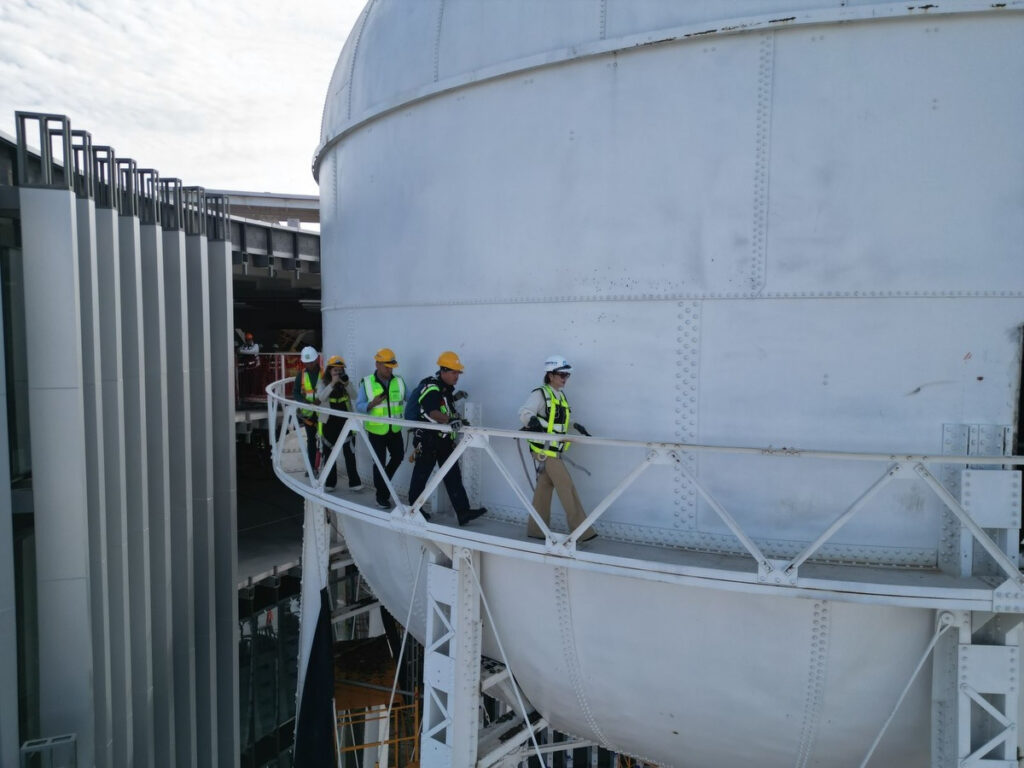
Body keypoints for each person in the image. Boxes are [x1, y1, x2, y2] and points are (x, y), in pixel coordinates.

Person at [518, 354, 596, 542]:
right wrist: (532, 420)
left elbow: (562, 420)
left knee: (544, 489)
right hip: (544, 451)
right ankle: (582, 531)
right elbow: (524, 412)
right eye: (561, 374)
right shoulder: (540, 393)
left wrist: (576, 426)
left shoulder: (560, 396)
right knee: (566, 486)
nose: (564, 378)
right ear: (550, 375)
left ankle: (536, 529)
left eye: (566, 375)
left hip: (553, 450)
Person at [407, 351, 485, 526]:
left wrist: (457, 419)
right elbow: (432, 412)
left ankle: (463, 512)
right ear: (443, 371)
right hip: (428, 440)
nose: (457, 376)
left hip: (442, 441)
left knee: (453, 476)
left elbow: (445, 410)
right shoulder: (432, 388)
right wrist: (451, 420)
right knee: (421, 475)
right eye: (453, 372)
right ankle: (414, 509)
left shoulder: (445, 390)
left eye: (458, 372)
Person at [356, 347, 407, 509]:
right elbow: (359, 406)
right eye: (386, 366)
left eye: (391, 366)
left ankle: (383, 486)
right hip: (376, 431)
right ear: (377, 364)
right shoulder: (367, 383)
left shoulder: (399, 381)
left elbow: (411, 398)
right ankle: (381, 496)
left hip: (395, 430)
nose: (389, 369)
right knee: (379, 463)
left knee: (398, 456)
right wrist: (372, 404)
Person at [316, 355, 362, 491]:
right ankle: (330, 482)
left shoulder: (345, 382)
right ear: (329, 371)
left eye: (340, 370)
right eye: (335, 370)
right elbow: (321, 397)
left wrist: (346, 385)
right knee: (329, 453)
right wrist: (332, 384)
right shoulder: (323, 383)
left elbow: (355, 396)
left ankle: (354, 482)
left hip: (345, 421)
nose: (337, 373)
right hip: (329, 422)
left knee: (349, 453)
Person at [293, 345, 324, 476]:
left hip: (323, 414)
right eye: (307, 363)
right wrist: (304, 402)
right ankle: (311, 468)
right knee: (311, 441)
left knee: (325, 441)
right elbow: (296, 393)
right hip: (308, 415)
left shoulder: (324, 374)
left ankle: (325, 469)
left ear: (316, 360)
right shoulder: (301, 375)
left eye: (311, 362)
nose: (309, 365)